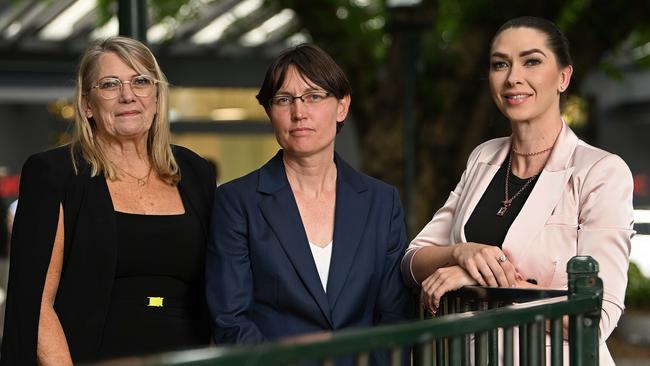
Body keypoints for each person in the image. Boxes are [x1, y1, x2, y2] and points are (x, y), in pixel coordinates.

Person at [401, 16, 633, 365]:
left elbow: (595, 316)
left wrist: (485, 285)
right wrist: (460, 253)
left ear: (563, 77)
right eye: (500, 64)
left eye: (532, 61)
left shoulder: (601, 171)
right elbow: (412, 260)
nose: (513, 77)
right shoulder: (483, 157)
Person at [0, 36, 215, 365]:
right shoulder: (55, 174)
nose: (128, 95)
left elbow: (220, 289)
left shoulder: (194, 172)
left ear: (157, 96)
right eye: (110, 84)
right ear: (87, 104)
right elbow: (35, 304)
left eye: (141, 81)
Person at [206, 44, 414, 362]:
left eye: (314, 96)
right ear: (269, 112)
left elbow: (394, 315)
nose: (299, 112)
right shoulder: (236, 203)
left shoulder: (381, 202)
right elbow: (231, 321)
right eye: (284, 99)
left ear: (342, 106)